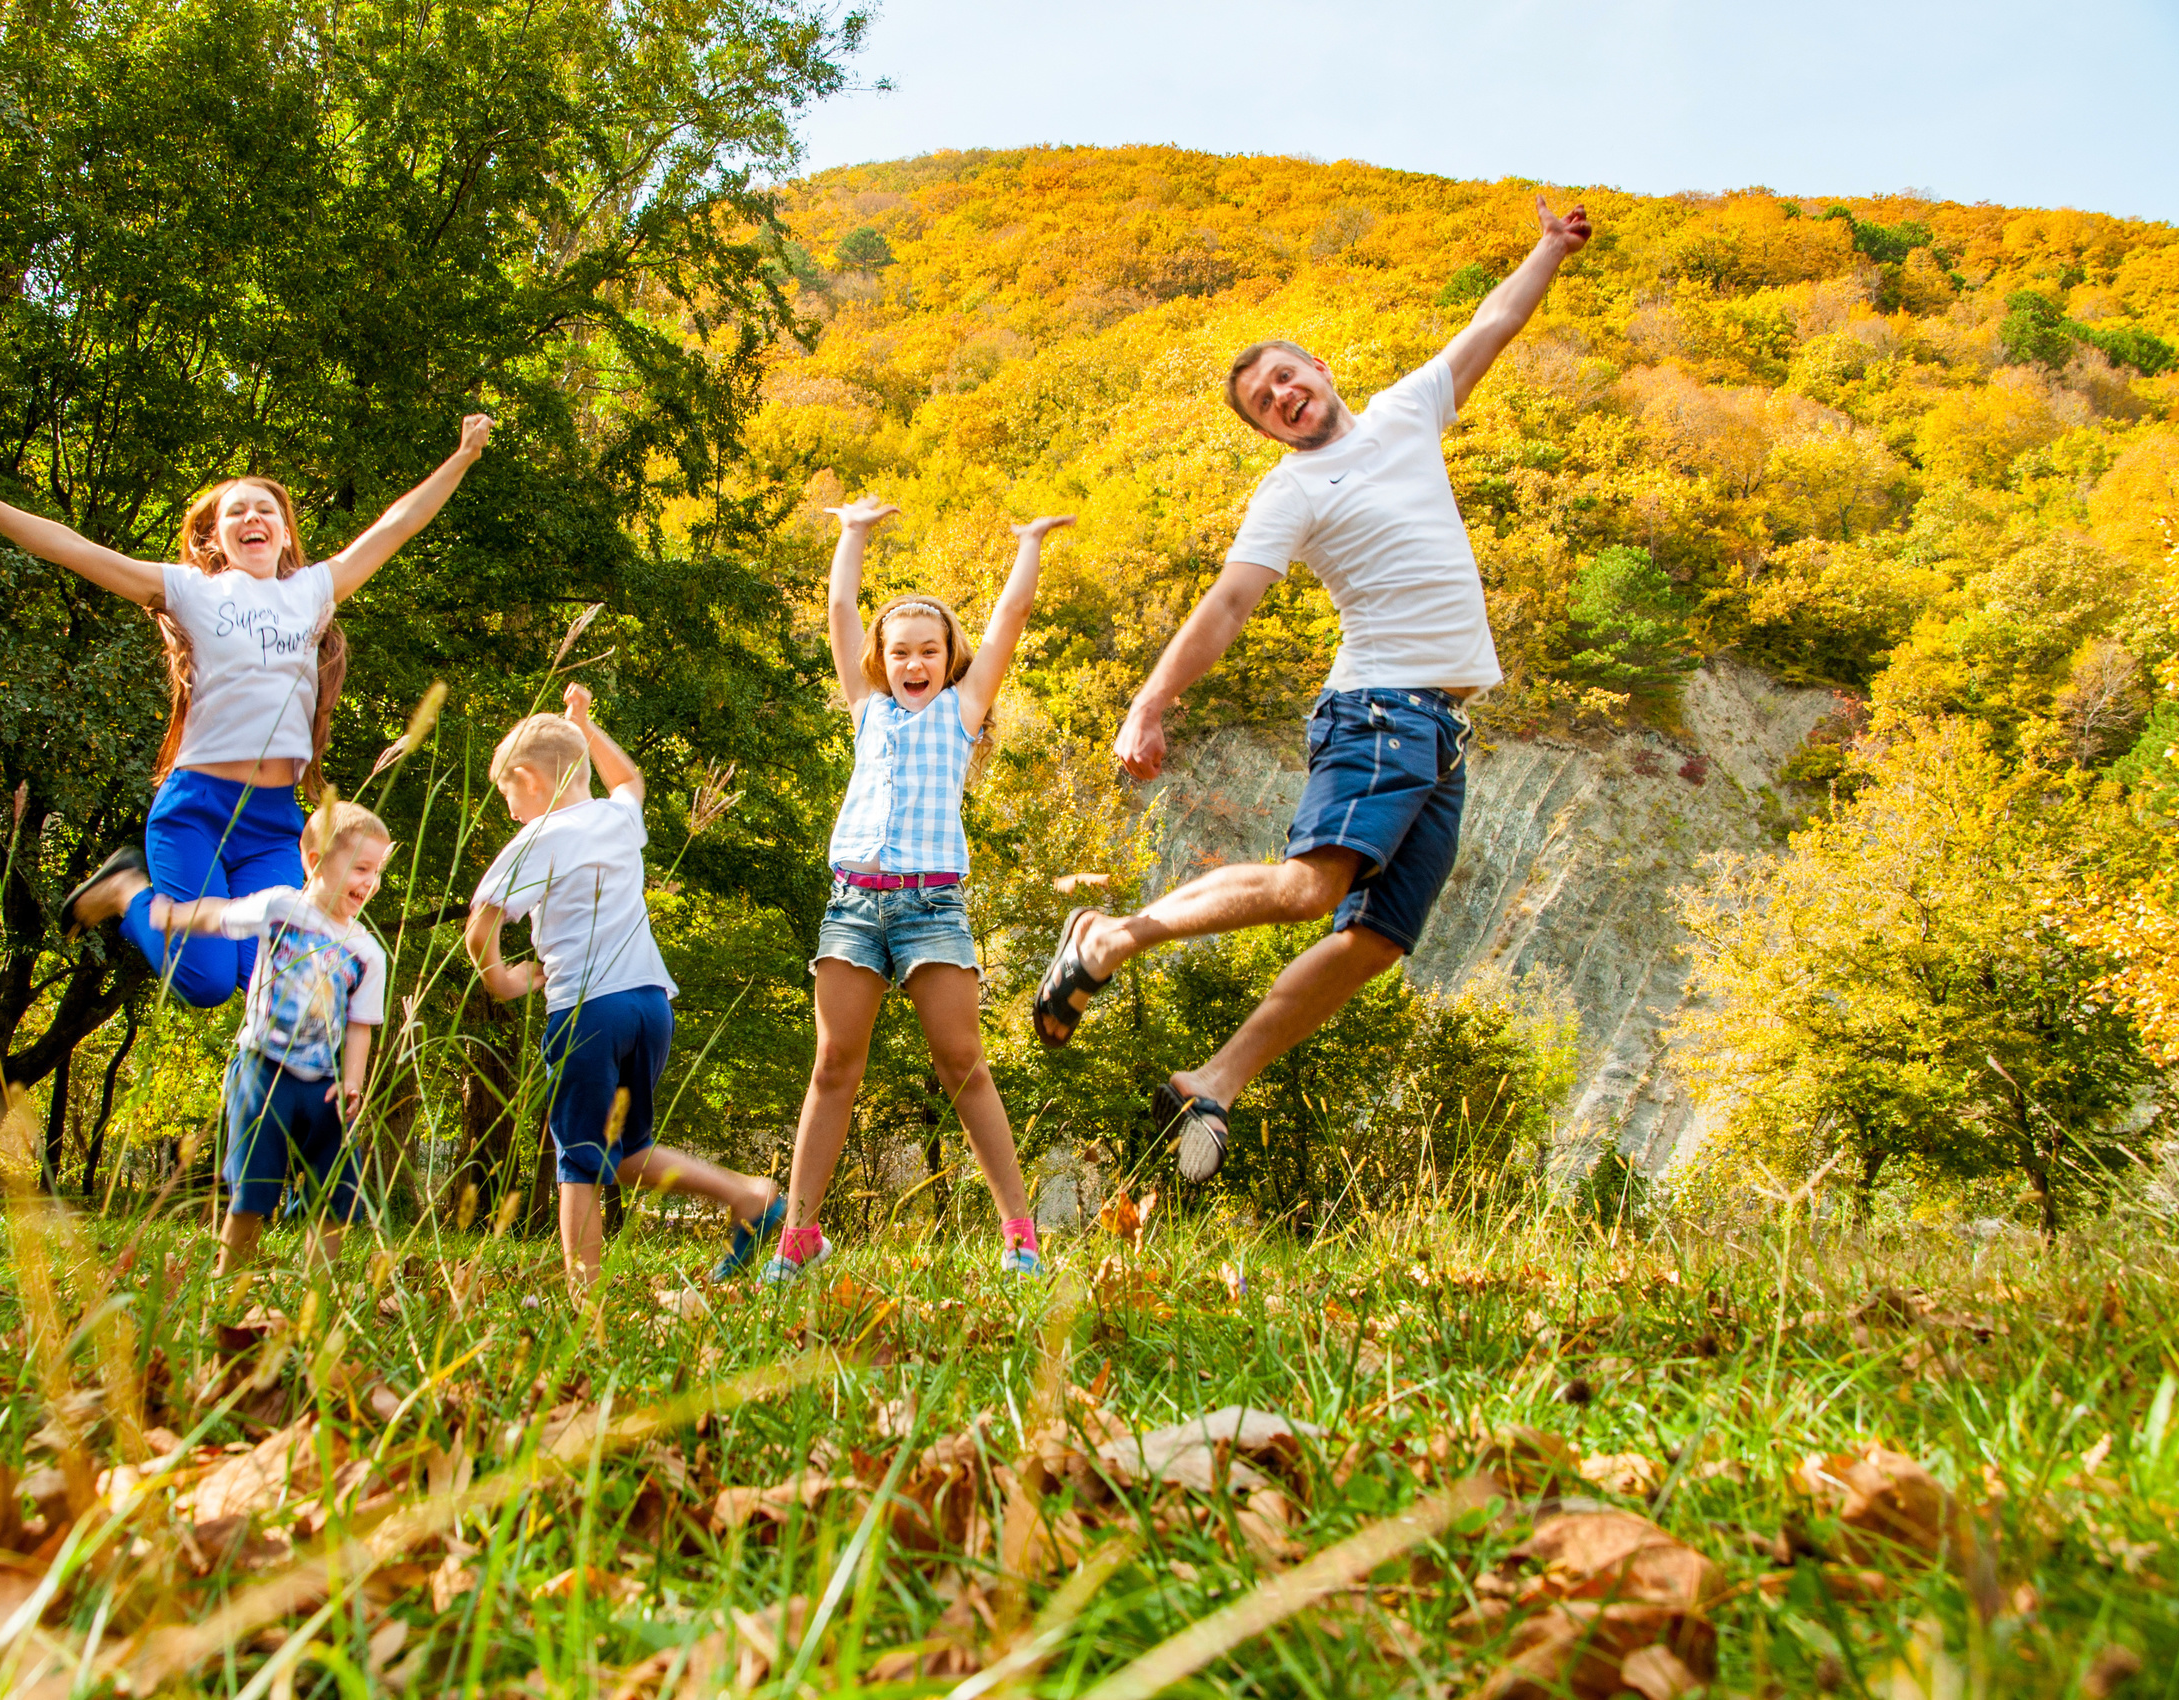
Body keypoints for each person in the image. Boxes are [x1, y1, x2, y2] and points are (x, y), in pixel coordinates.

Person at [1030, 196, 1595, 1184]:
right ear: (1264, 430)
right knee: (1304, 890)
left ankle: (1213, 1076)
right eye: (1263, 402)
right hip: (1380, 707)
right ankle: (1111, 936)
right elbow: (1228, 603)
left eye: (1286, 378)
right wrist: (1149, 699)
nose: (1282, 396)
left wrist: (1547, 248)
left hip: (1443, 728)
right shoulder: (1292, 491)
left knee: (1375, 941)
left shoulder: (1409, 410)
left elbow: (1492, 323)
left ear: (1320, 371)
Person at [0, 413, 493, 1006]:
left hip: (272, 824)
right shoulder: (192, 590)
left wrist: (463, 455)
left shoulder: (314, 590)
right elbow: (73, 549)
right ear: (216, 537)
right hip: (197, 811)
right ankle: (126, 889)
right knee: (207, 983)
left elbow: (397, 525)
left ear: (285, 533)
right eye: (236, 511)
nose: (252, 518)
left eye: (265, 510)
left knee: (265, 975)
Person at [763, 498, 1076, 1285]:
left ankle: (1019, 1235)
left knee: (962, 1059)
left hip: (933, 906)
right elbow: (838, 606)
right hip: (854, 905)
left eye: (928, 651)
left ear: (947, 658)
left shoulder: (962, 714)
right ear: (879, 659)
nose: (913, 663)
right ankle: (799, 1239)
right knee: (834, 1063)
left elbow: (1012, 613)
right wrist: (852, 533)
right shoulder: (865, 713)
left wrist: (1029, 541)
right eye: (899, 650)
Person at [465, 684, 784, 1298]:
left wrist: (502, 979)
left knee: (578, 1163)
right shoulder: (616, 820)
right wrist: (585, 725)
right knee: (626, 1153)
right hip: (648, 1006)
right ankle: (747, 1196)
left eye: (508, 793)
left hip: (589, 1012)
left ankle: (585, 1302)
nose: (509, 811)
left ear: (530, 779)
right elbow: (629, 780)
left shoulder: (536, 838)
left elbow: (481, 924)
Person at [145, 799, 394, 1274]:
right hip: (263, 1069)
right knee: (253, 1180)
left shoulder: (366, 953)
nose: (370, 882)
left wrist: (353, 1082)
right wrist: (173, 916)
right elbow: (221, 915)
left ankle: (319, 1279)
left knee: (335, 1182)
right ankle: (232, 1268)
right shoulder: (282, 907)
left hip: (324, 1084)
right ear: (315, 860)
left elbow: (361, 1024)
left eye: (377, 870)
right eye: (361, 867)